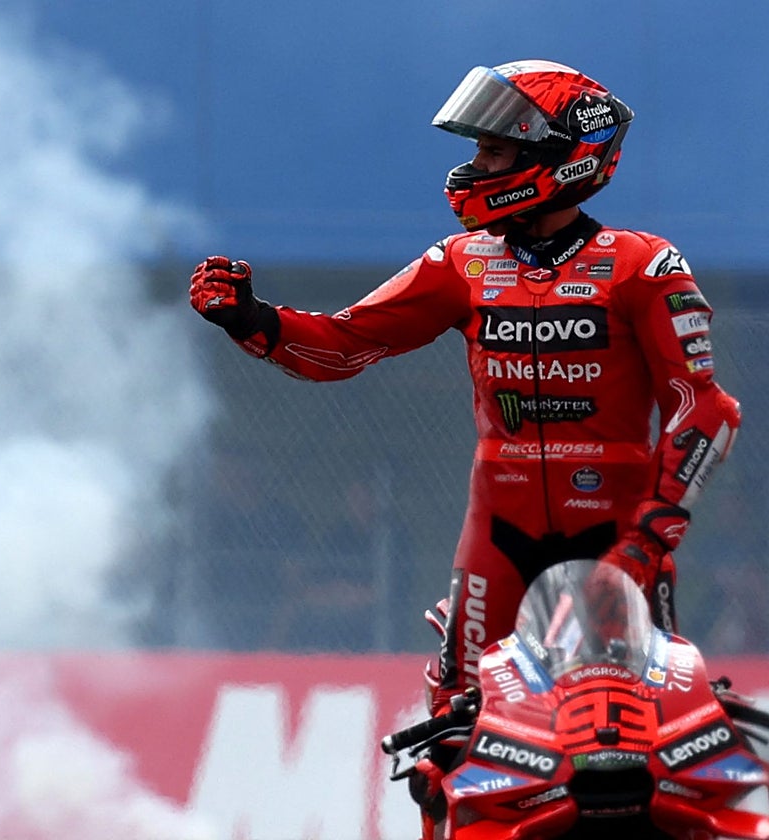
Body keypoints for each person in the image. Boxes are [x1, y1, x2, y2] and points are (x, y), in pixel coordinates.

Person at [188, 59, 741, 837]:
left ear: (557, 156)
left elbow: (706, 411)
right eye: (478, 150)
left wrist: (652, 536)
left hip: (620, 544)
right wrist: (253, 319)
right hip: (498, 540)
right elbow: (345, 345)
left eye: (492, 152)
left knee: (635, 749)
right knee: (452, 743)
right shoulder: (462, 263)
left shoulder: (643, 266)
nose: (474, 167)